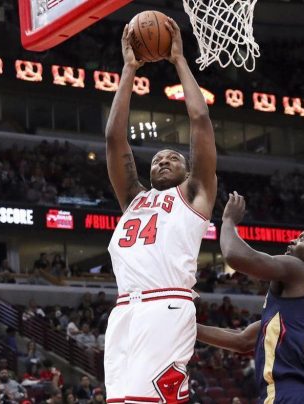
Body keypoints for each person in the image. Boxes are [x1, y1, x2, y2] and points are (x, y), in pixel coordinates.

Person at [101, 17, 217, 404]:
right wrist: (129, 69)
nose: (163, 160)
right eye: (157, 159)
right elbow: (114, 137)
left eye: (173, 157)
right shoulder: (133, 198)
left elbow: (199, 120)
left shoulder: (195, 194)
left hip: (166, 305)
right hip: (124, 311)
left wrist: (180, 61)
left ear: (188, 170)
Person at [195, 192, 304, 403]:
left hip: (290, 394)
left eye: (302, 238)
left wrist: (228, 221)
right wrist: (188, 327)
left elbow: (235, 256)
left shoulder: (298, 270)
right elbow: (243, 340)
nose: (292, 240)